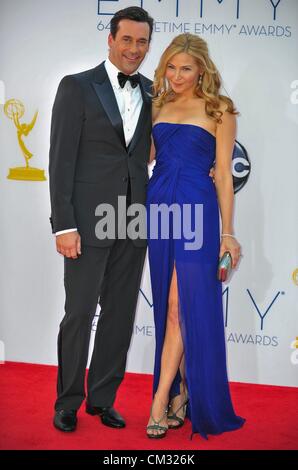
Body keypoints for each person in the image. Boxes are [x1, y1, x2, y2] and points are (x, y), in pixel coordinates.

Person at [49, 6, 153, 432]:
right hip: (87, 225)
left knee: (120, 315)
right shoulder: (76, 87)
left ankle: (102, 399)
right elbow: (60, 160)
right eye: (126, 39)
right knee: (78, 314)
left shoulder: (152, 91)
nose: (134, 49)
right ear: (109, 39)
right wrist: (64, 224)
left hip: (134, 221)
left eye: (142, 41)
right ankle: (68, 401)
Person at [146, 33, 245, 439]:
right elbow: (145, 157)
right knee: (169, 309)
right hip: (159, 207)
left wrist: (228, 232)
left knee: (177, 306)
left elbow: (223, 173)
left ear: (202, 69)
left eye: (185, 68)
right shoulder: (157, 105)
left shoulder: (218, 109)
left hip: (197, 209)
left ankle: (158, 402)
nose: (177, 75)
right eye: (170, 66)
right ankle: (182, 393)